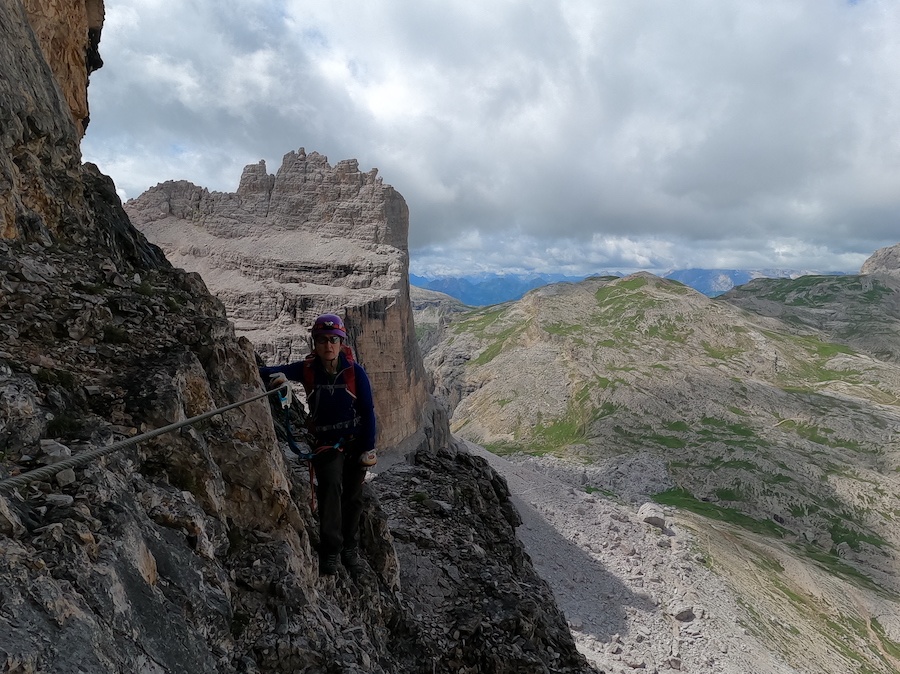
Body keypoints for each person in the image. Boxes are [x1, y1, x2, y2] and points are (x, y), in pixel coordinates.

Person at [260, 313, 377, 576]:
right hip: (327, 445)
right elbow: (265, 371)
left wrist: (369, 447)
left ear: (341, 342)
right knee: (331, 487)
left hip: (355, 442)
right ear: (315, 343)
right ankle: (332, 551)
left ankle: (350, 548)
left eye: (333, 340)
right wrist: (276, 377)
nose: (328, 345)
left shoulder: (354, 372)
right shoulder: (307, 369)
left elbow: (368, 411)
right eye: (323, 340)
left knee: (354, 498)